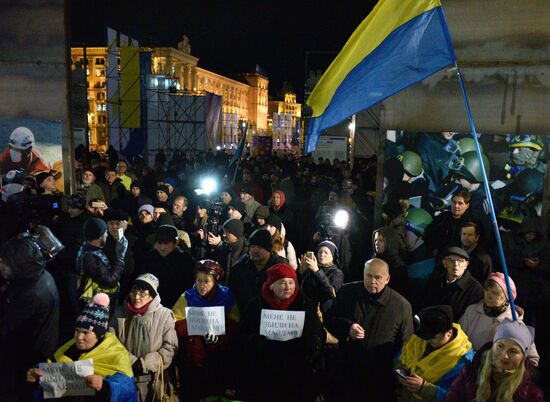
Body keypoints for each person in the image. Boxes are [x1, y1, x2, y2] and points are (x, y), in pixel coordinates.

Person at [325, 258, 413, 401]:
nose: (372, 281)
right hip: (347, 369)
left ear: (387, 279)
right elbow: (330, 319)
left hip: (379, 376)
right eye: (369, 276)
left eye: (378, 277)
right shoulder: (346, 293)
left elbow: (406, 344)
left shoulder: (401, 306)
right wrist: (348, 327)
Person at [237, 263, 325, 402]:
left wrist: (307, 344)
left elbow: (317, 334)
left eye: (291, 282)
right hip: (263, 374)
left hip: (297, 374)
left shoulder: (305, 304)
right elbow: (242, 336)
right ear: (272, 285)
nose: (288, 287)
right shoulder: (255, 306)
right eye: (283, 282)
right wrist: (258, 342)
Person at [26, 293, 137, 401]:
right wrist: (37, 375)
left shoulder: (117, 354)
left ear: (99, 335)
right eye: (77, 331)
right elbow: (52, 370)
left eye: (85, 332)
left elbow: (128, 388)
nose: (79, 337)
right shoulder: (68, 348)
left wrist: (104, 386)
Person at [0, 237, 60, 401]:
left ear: (18, 264)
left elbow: (8, 327)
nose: (1, 265)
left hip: (31, 356)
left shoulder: (33, 293)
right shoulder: (35, 274)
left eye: (5, 262)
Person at [172, 260, 239, 401]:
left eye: (206, 281)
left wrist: (220, 337)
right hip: (192, 357)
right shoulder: (187, 297)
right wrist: (194, 327)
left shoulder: (226, 297)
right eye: (199, 280)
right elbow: (176, 323)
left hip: (220, 357)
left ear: (215, 281)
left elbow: (234, 325)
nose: (202, 285)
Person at [111, 274, 179, 402]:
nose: (136, 297)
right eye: (133, 292)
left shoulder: (164, 315)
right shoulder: (120, 313)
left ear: (151, 296)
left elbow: (170, 347)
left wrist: (143, 364)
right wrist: (131, 362)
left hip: (154, 382)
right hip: (125, 378)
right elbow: (111, 343)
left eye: (142, 294)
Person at [445, 319, 544, 401]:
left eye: (513, 351)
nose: (504, 355)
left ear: (523, 356)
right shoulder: (470, 373)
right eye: (500, 346)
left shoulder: (532, 394)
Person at [395, 305, 474, 402]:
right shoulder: (420, 338)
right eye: (426, 337)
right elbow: (401, 356)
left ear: (448, 333)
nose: (428, 341)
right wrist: (400, 371)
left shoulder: (462, 360)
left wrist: (424, 388)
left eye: (434, 337)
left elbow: (457, 396)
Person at [458, 273, 539, 366]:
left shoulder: (516, 324)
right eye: (487, 290)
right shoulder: (472, 311)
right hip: (467, 367)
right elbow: (458, 339)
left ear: (506, 297)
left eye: (495, 293)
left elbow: (532, 361)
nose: (488, 295)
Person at [227, 228, 288, 312]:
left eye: (259, 247)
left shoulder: (281, 267)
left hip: (271, 317)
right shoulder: (239, 267)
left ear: (268, 249)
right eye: (252, 246)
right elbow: (231, 293)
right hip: (245, 317)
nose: (255, 250)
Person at [76, 217, 127, 310]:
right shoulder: (89, 257)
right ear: (100, 236)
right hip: (96, 308)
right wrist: (120, 258)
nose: (107, 234)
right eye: (105, 232)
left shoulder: (93, 248)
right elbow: (109, 281)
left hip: (101, 303)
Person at [422, 246, 484, 319]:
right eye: (451, 260)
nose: (455, 264)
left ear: (466, 265)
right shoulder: (434, 280)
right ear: (444, 263)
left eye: (460, 260)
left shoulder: (475, 289)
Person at [148, 224, 196, 309]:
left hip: (178, 307)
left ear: (176, 242)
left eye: (166, 243)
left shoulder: (186, 261)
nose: (162, 247)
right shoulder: (150, 258)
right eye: (159, 243)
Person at [298, 239, 344, 314]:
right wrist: (301, 272)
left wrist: (317, 271)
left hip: (325, 313)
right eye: (320, 252)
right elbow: (300, 288)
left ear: (332, 256)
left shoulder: (337, 273)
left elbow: (331, 292)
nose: (322, 254)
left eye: (326, 252)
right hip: (306, 309)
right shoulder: (311, 268)